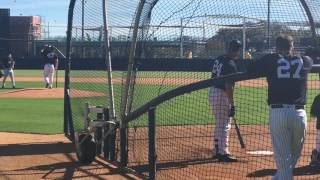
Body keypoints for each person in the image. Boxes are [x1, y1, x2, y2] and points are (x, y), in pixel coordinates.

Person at [247, 35, 313, 180]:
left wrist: (270, 58)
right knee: (291, 159)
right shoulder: (305, 60)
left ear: (277, 47)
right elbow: (311, 59)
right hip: (299, 114)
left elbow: (250, 67)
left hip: (278, 113)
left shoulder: (271, 59)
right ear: (292, 47)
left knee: (284, 162)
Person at [209, 39, 242, 162]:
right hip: (222, 94)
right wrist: (232, 105)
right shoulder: (231, 64)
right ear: (237, 50)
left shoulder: (220, 58)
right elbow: (229, 87)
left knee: (219, 122)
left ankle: (217, 149)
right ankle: (223, 152)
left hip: (212, 92)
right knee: (225, 124)